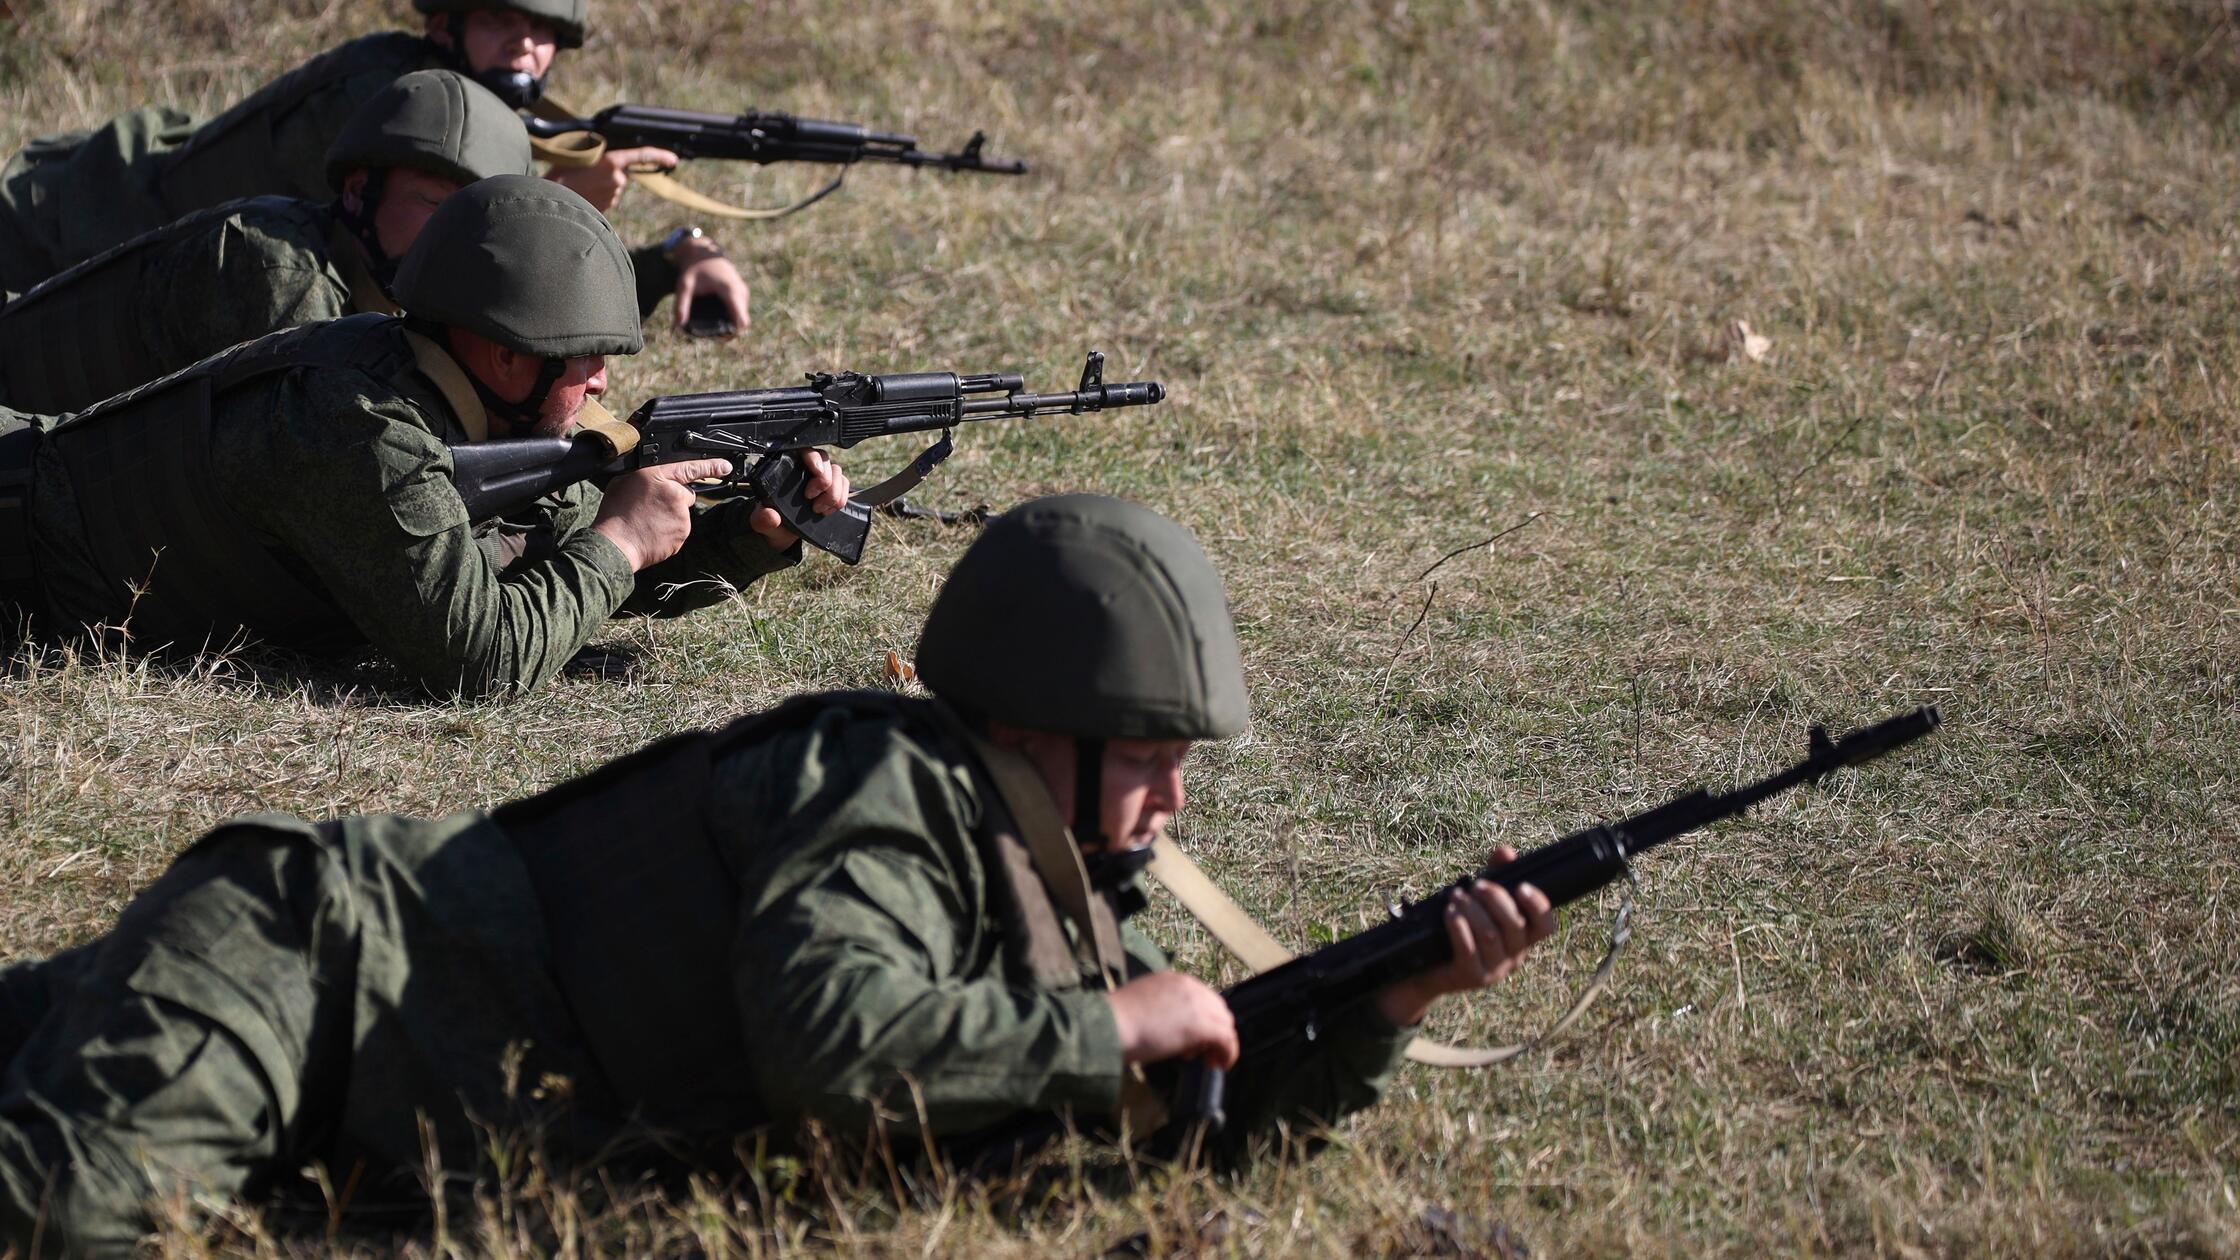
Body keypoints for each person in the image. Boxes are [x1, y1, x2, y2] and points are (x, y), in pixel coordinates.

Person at [0, 493, 1555, 1256]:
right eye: (1146, 748)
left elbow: (1155, 1149)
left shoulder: (1043, 883)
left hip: (399, 1135)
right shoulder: (879, 793)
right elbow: (835, 1046)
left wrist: (1384, 1008)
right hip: (308, 967)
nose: (1174, 794)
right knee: (70, 1221)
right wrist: (1117, 1028)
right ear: (1033, 725)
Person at [0, 174, 844, 696]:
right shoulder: (357, 428)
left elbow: (566, 579)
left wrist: (747, 538)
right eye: (583, 360)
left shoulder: (471, 410)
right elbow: (481, 660)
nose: (602, 384)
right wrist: (621, 541)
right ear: (504, 353)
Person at [0, 70, 748, 414]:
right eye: (432, 205)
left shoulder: (377, 270)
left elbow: (532, 304)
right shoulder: (279, 277)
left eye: (475, 215)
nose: (454, 236)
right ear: (358, 194)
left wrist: (680, 248)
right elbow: (353, 463)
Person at [0, 0, 682, 294]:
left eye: (542, 32)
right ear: (444, 25)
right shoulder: (396, 98)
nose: (524, 46)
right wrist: (564, 202)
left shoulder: (439, 86)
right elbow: (451, 269)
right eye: (501, 20)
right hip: (70, 233)